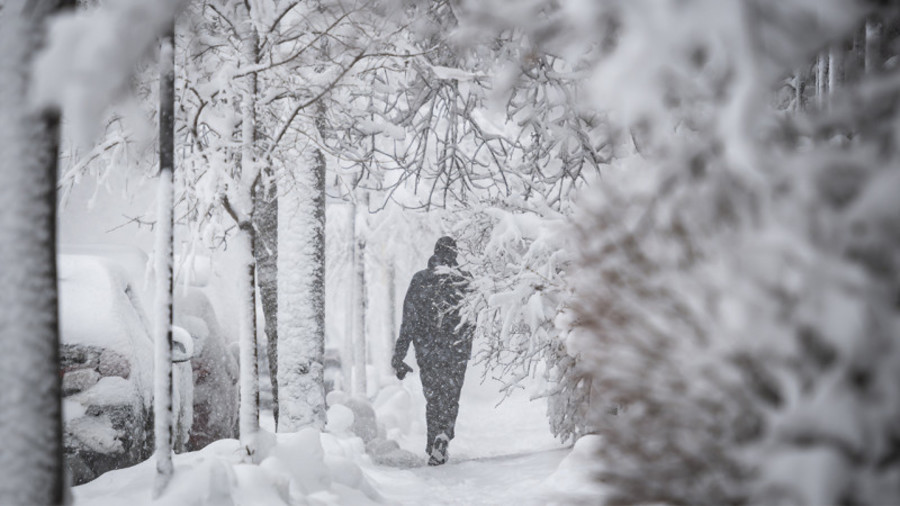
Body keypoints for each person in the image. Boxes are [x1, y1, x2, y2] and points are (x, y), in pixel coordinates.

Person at [392, 236, 474, 466]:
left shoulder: (420, 280)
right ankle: (444, 435)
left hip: (427, 351)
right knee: (451, 397)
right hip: (456, 351)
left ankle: (433, 443)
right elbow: (474, 318)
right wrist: (465, 344)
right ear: (455, 254)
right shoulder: (465, 281)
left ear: (434, 253)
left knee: (434, 398)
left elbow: (408, 321)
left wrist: (399, 356)